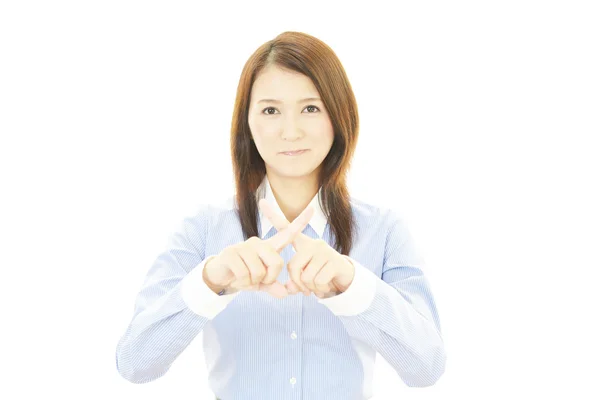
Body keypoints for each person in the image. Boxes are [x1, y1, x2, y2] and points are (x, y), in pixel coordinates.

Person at [115, 31, 446, 399]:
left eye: (311, 108)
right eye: (271, 110)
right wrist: (210, 282)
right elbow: (134, 363)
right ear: (248, 123)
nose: (291, 131)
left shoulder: (383, 230)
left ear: (339, 116)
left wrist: (353, 285)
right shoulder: (203, 230)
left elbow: (426, 368)